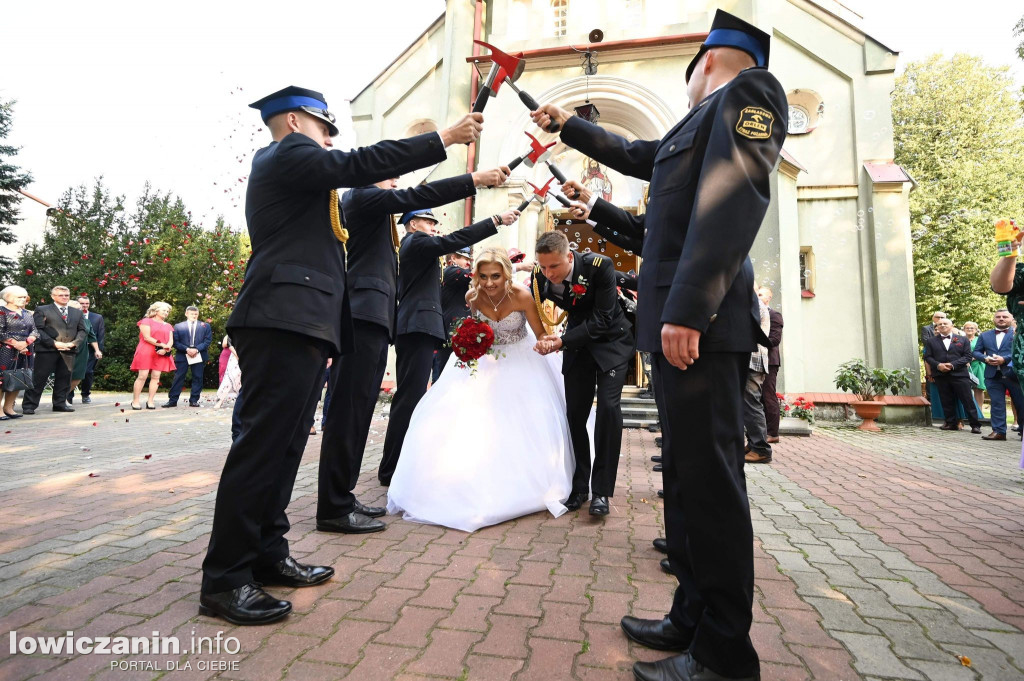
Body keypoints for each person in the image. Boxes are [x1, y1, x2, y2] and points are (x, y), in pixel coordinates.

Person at [534, 10, 785, 680]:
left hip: (699, 326)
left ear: (707, 60)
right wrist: (571, 127)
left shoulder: (749, 94)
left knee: (712, 486)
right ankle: (692, 614)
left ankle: (725, 653)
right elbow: (641, 161)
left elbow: (735, 201)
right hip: (678, 329)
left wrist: (691, 307)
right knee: (686, 480)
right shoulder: (692, 126)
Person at [200, 84, 485, 626]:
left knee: (285, 448)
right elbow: (362, 165)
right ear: (291, 121)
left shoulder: (307, 172)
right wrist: (442, 139)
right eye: (323, 127)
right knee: (263, 446)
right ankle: (225, 578)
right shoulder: (286, 152)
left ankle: (266, 551)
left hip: (306, 319)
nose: (330, 138)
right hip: (282, 315)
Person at [317, 163, 506, 534]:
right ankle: (334, 503)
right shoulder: (368, 200)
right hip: (364, 315)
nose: (396, 182)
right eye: (389, 175)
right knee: (350, 409)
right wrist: (475, 184)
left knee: (360, 409)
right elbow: (418, 205)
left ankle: (342, 494)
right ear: (416, 223)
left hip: (377, 320)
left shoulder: (385, 222)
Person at [387, 247, 573, 531]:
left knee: (521, 422)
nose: (489, 283)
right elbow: (473, 328)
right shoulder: (471, 297)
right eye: (483, 276)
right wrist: (468, 342)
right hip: (484, 363)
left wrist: (548, 343)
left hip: (521, 360)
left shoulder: (522, 296)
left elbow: (539, 333)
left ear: (506, 274)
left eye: (496, 276)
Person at [378, 207, 518, 487]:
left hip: (420, 326)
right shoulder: (415, 242)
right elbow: (450, 241)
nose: (433, 227)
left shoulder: (420, 248)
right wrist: (495, 220)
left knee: (414, 398)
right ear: (413, 224)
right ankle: (392, 469)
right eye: (429, 222)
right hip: (416, 325)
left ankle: (397, 465)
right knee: (410, 399)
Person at [532, 230, 635, 517]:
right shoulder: (538, 278)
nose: (549, 273)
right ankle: (579, 488)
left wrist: (561, 342)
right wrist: (545, 339)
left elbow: (602, 319)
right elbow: (538, 312)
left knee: (608, 411)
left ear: (569, 256)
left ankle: (601, 491)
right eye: (543, 266)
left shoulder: (600, 267)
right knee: (575, 415)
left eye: (554, 266)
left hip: (611, 343)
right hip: (578, 348)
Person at [21, 285, 86, 415]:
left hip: (69, 350)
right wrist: (54, 343)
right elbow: (38, 329)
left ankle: (60, 404)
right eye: (61, 295)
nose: (64, 297)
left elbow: (82, 330)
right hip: (47, 349)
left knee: (65, 378)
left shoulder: (77, 312)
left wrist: (74, 343)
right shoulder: (42, 309)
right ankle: (29, 405)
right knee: (39, 378)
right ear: (53, 296)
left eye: (66, 295)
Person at [924, 318, 982, 433]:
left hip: (960, 374)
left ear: (952, 325)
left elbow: (967, 356)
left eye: (945, 323)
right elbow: (928, 357)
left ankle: (975, 425)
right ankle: (951, 423)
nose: (942, 325)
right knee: (946, 400)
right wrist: (938, 365)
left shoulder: (963, 339)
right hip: (941, 375)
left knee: (967, 400)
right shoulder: (931, 341)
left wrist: (952, 365)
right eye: (939, 324)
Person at [973, 310, 1024, 440]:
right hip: (992, 375)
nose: (1001, 319)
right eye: (998, 317)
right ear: (994, 319)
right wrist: (985, 358)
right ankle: (999, 431)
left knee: (1021, 403)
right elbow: (976, 352)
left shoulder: (1019, 333)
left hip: (1014, 375)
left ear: (1011, 318)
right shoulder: (985, 335)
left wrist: (1005, 359)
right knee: (996, 404)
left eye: (1005, 316)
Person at [433, 247, 474, 381]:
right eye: (463, 258)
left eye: (469, 258)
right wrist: (517, 267)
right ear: (453, 259)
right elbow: (477, 276)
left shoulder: (460, 276)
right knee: (445, 378)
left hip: (459, 332)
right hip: (451, 333)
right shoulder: (452, 272)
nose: (467, 262)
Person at [163, 306, 213, 408]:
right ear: (186, 314)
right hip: (182, 354)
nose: (194, 316)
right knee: (178, 377)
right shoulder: (178, 326)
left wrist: (196, 349)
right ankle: (172, 400)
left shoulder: (205, 326)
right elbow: (175, 342)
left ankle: (194, 400)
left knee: (198, 377)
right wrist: (187, 349)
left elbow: (207, 341)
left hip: (198, 354)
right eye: (191, 314)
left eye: (196, 314)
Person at [0, 285, 38, 419]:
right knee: (2, 379)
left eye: (24, 297)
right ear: (8, 298)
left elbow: (35, 331)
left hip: (25, 350)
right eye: (20, 297)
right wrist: (17, 344)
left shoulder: (27, 313)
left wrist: (26, 344)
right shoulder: (1, 311)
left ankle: (9, 408)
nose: (23, 299)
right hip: (5, 350)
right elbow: (0, 332)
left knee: (19, 378)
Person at [743, 296, 773, 464]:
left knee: (751, 404)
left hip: (752, 359)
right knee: (747, 404)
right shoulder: (753, 301)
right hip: (752, 358)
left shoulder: (753, 302)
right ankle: (754, 444)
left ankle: (761, 449)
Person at [130, 301, 175, 410]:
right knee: (142, 376)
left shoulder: (168, 325)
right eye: (164, 310)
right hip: (146, 351)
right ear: (156, 310)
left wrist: (165, 349)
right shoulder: (146, 321)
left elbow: (170, 341)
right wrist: (162, 345)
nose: (166, 313)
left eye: (167, 311)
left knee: (156, 377)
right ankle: (135, 401)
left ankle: (150, 401)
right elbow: (147, 337)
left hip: (161, 353)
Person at [757, 287, 783, 443]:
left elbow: (774, 340)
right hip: (757, 360)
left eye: (761, 295)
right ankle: (762, 431)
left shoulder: (774, 315)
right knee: (758, 398)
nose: (757, 297)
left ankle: (773, 434)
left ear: (769, 298)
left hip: (770, 361)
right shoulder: (755, 314)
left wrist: (755, 337)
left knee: (768, 396)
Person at [69, 295, 103, 404]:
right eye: (82, 304)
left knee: (87, 372)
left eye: (86, 304)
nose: (84, 306)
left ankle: (85, 394)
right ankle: (67, 396)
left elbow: (98, 335)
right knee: (70, 373)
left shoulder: (97, 318)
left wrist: (98, 350)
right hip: (70, 350)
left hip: (89, 350)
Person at [962, 321, 987, 410]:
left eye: (972, 328)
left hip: (978, 365)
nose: (969, 329)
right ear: (964, 329)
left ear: (976, 330)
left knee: (979, 388)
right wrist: (964, 361)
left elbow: (984, 351)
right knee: (964, 389)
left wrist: (972, 359)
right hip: (963, 366)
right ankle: (967, 410)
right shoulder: (960, 339)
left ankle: (979, 410)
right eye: (967, 328)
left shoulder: (980, 339)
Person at [214, 336, 241, 409]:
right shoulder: (232, 333)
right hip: (234, 356)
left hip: (246, 355)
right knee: (229, 377)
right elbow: (229, 343)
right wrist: (237, 355)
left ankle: (242, 400)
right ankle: (220, 400)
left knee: (242, 379)